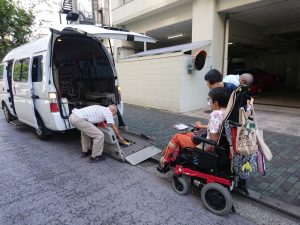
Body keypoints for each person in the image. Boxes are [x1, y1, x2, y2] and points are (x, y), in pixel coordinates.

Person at [159, 87, 230, 170]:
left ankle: (165, 161)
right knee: (186, 134)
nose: (209, 103)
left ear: (216, 102)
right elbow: (216, 128)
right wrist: (201, 127)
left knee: (177, 137)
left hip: (208, 146)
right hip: (219, 144)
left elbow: (214, 138)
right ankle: (169, 151)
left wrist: (205, 138)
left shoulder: (216, 114)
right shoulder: (227, 112)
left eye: (210, 100)